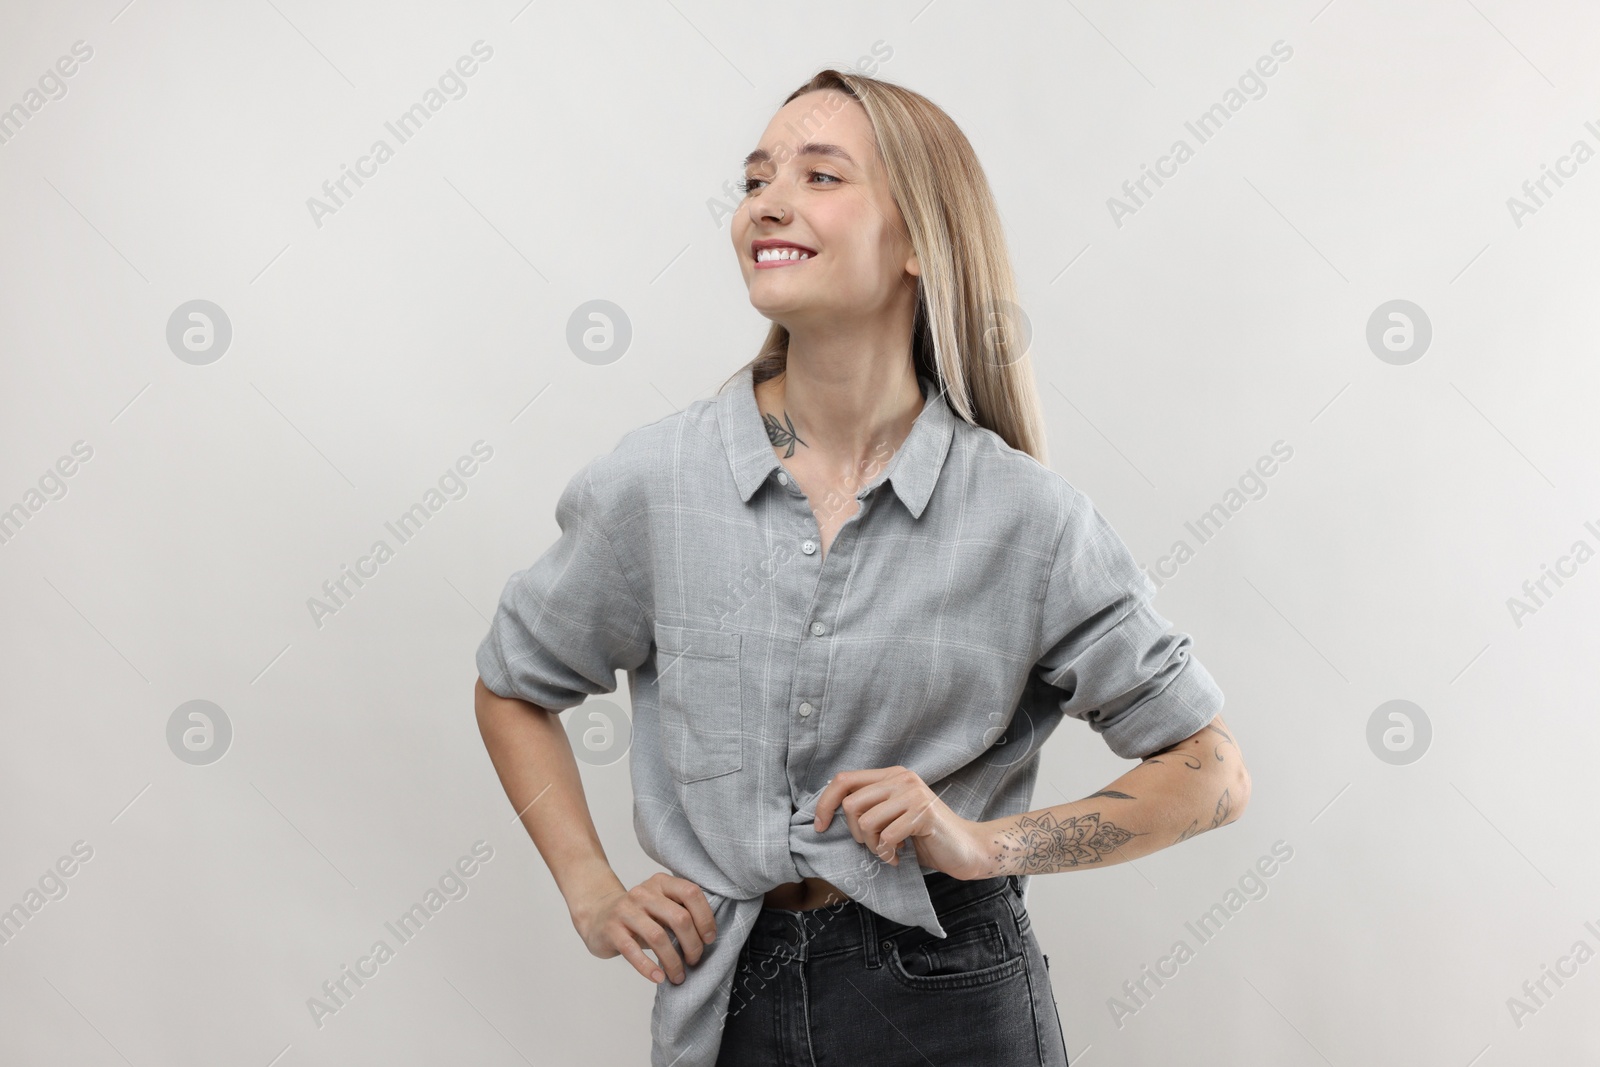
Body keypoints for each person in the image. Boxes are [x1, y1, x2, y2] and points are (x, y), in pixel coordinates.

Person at [474, 68, 1250, 1067]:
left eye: (821, 175)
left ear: (920, 242)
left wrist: (986, 843)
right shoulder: (656, 482)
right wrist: (589, 886)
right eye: (756, 179)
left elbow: (1212, 771)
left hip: (952, 998)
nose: (768, 202)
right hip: (723, 999)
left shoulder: (1028, 519)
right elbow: (512, 684)